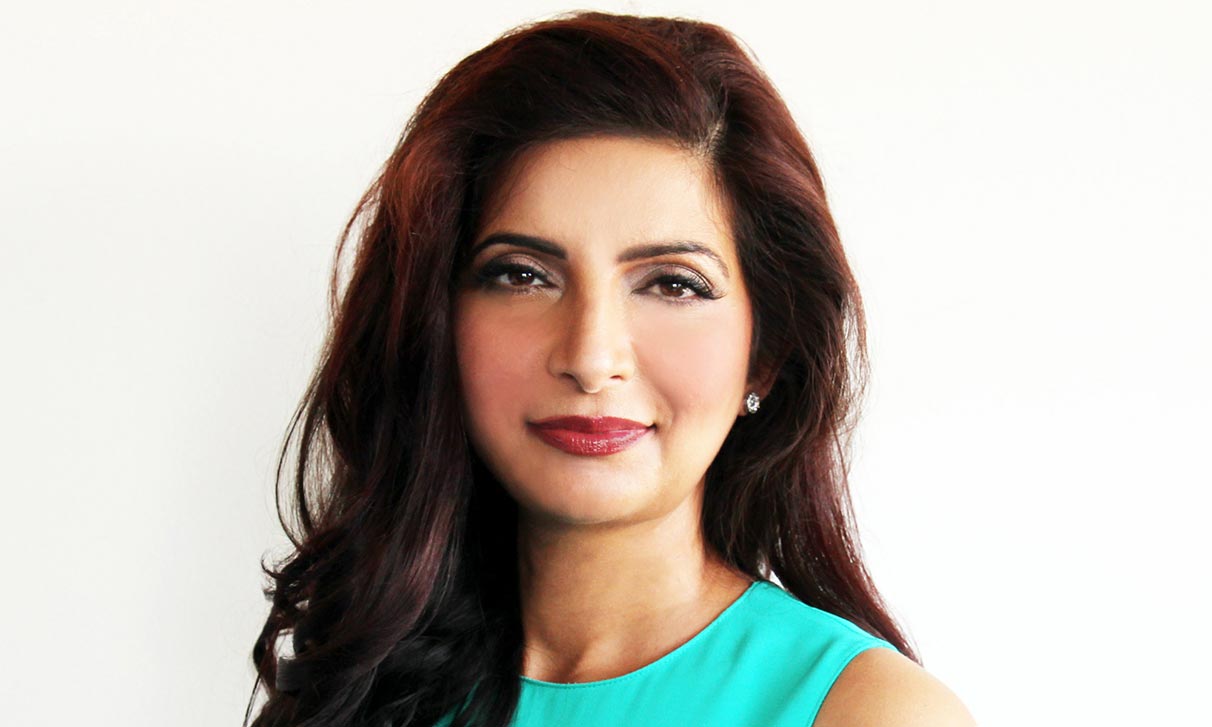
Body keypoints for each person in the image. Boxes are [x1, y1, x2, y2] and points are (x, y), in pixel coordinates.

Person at [245, 11, 975, 727]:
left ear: (767, 355)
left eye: (673, 284)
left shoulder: (873, 713)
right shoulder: (355, 683)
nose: (591, 359)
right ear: (436, 322)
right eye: (522, 275)